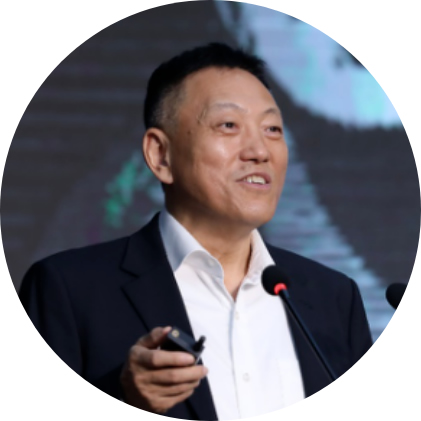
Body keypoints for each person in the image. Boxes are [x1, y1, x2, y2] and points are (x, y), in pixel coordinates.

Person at [19, 43, 372, 420]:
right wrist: (125, 399)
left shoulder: (334, 298)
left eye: (272, 129)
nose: (260, 151)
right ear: (160, 155)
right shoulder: (67, 290)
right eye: (229, 125)